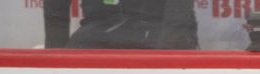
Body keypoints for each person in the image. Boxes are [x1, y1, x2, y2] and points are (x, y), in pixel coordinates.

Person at [43, 0, 198, 49]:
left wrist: (168, 54)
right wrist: (54, 57)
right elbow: (55, 7)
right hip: (97, 32)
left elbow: (179, 11)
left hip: (157, 32)